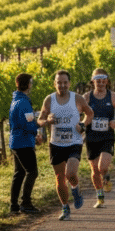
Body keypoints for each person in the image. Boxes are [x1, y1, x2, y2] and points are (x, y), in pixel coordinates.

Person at [37, 70, 93, 221]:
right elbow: (40, 120)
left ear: (69, 83)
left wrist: (83, 124)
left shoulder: (78, 99)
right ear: (55, 84)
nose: (62, 85)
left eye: (65, 82)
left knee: (70, 173)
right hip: (56, 143)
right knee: (59, 177)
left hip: (74, 142)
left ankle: (75, 189)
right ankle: (65, 207)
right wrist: (47, 120)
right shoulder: (49, 100)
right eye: (59, 82)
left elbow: (90, 113)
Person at [83, 68, 115, 208]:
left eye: (103, 81)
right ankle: (99, 195)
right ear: (93, 81)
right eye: (98, 81)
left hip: (107, 136)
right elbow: (78, 112)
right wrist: (81, 124)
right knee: (94, 170)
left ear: (107, 81)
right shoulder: (87, 97)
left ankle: (106, 174)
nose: (100, 83)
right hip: (91, 137)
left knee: (102, 167)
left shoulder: (112, 96)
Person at [9, 73, 41, 215]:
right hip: (24, 142)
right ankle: (26, 203)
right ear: (27, 84)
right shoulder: (24, 103)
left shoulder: (16, 100)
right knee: (32, 172)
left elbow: (25, 119)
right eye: (31, 83)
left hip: (15, 142)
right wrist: (37, 131)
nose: (31, 85)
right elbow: (28, 123)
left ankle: (14, 205)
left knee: (19, 173)